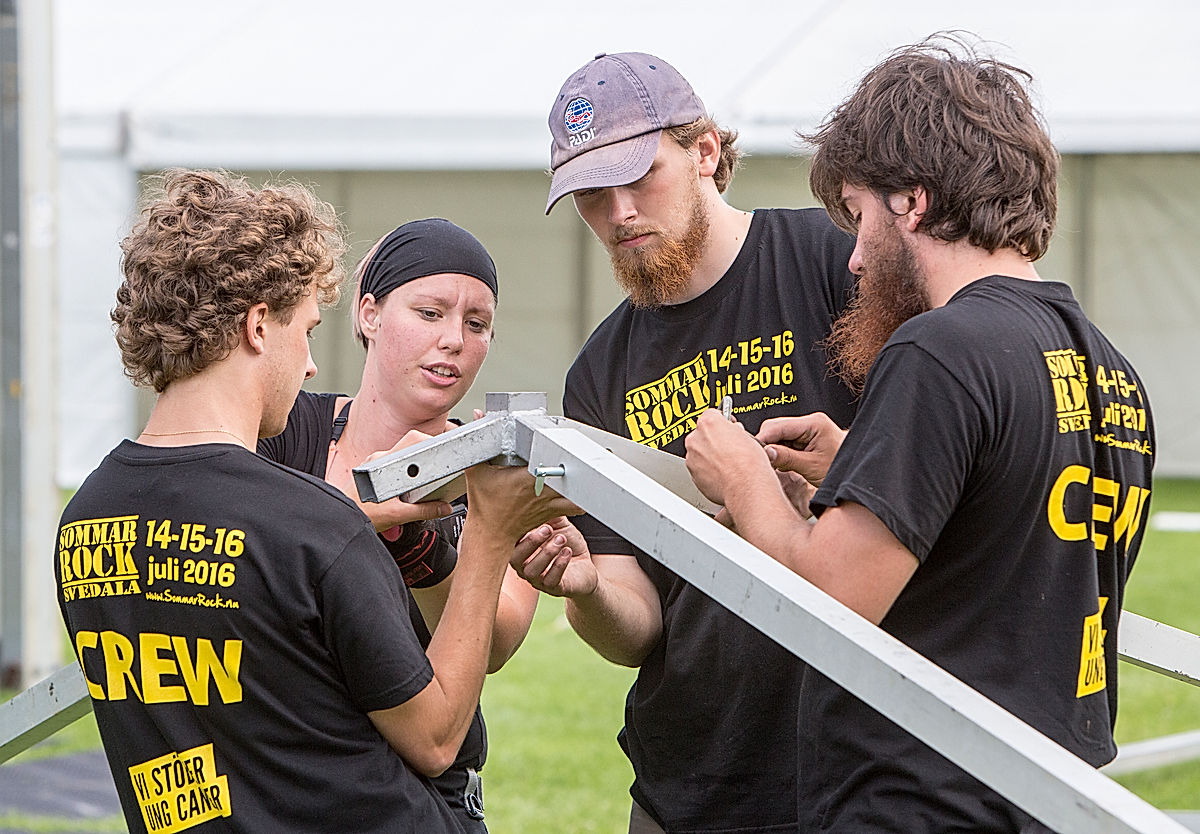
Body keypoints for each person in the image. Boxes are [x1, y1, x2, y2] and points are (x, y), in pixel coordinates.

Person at [683, 34, 1156, 832]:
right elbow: (1009, 550)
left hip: (922, 804)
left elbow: (830, 598)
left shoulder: (939, 349)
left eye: (860, 216)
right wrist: (860, 469)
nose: (855, 258)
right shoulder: (1114, 374)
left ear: (914, 200)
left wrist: (744, 478)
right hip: (1049, 802)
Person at [55, 169, 577, 833]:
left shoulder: (85, 519)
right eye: (305, 330)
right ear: (257, 327)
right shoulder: (315, 526)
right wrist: (492, 532)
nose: (308, 366)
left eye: (477, 324)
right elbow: (439, 738)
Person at [519, 52, 859, 834]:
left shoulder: (833, 265)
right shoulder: (600, 372)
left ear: (706, 151)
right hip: (689, 790)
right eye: (592, 196)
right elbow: (638, 626)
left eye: (640, 178)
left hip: (852, 773)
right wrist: (585, 590)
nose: (618, 213)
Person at [258, 217, 550, 831]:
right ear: (369, 314)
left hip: (424, 800)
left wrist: (426, 550)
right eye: (430, 312)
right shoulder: (284, 429)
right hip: (287, 781)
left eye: (476, 324)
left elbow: (494, 645)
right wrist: (358, 514)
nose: (453, 340)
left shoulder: (499, 470)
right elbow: (245, 551)